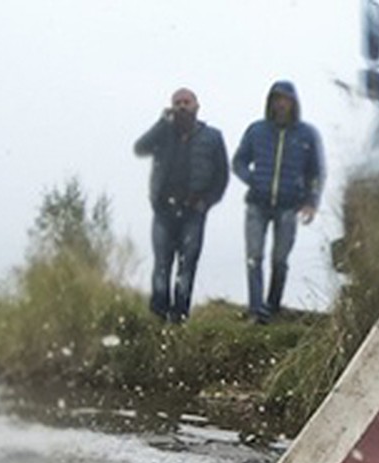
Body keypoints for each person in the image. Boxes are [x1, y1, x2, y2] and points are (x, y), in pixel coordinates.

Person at [133, 88, 229, 323]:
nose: (182, 106)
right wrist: (161, 123)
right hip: (164, 210)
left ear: (197, 106)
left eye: (187, 102)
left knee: (187, 266)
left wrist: (206, 202)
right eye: (177, 103)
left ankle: (179, 318)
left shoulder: (213, 137)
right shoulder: (163, 134)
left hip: (193, 212)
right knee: (162, 265)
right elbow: (140, 148)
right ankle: (158, 315)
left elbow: (222, 175)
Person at [232, 80, 324, 322]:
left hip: (288, 206)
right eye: (276, 99)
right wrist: (252, 179)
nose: (280, 104)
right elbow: (238, 161)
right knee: (254, 257)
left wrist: (311, 202)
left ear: (293, 103)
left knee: (280, 260)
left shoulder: (307, 135)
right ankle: (256, 310)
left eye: (285, 99)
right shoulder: (256, 131)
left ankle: (272, 307)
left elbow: (315, 172)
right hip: (257, 204)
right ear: (270, 103)